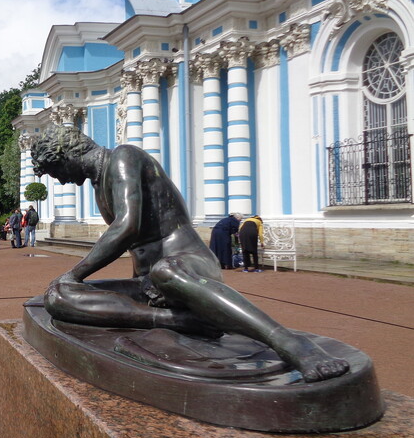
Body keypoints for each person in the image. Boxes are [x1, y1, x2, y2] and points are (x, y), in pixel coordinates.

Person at [31, 125, 348, 383]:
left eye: (54, 170)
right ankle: (179, 320)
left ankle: (288, 342)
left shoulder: (124, 157)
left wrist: (76, 272)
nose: (59, 179)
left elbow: (127, 226)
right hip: (149, 284)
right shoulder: (100, 184)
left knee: (164, 272)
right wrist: (69, 282)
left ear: (64, 155)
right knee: (58, 295)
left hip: (187, 266)